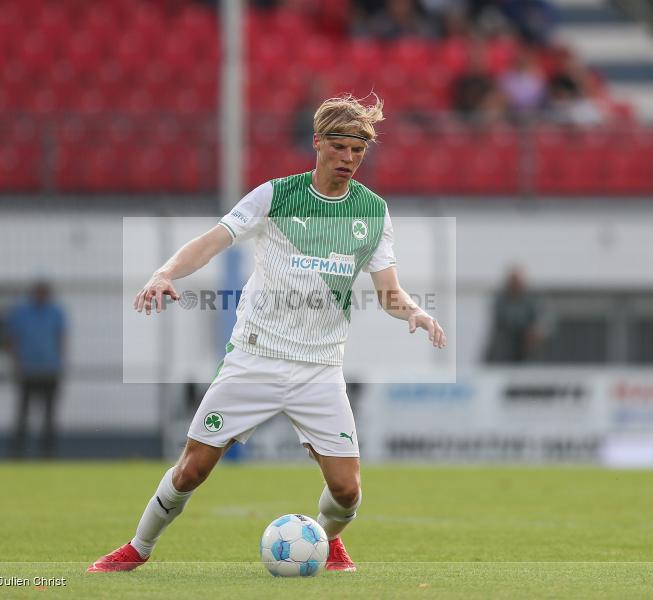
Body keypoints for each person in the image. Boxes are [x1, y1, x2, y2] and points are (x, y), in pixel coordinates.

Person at [88, 94, 447, 573]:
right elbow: (213, 240)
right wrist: (165, 272)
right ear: (317, 143)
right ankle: (137, 548)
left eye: (358, 151)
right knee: (193, 468)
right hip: (254, 359)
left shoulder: (373, 212)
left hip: (320, 368)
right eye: (339, 147)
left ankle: (329, 539)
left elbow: (387, 292)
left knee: (346, 490)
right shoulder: (275, 196)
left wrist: (414, 313)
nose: (348, 158)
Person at [6, 279, 66, 459]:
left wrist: (60, 362)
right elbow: (12, 338)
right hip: (27, 369)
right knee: (23, 413)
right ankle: (18, 452)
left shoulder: (55, 312)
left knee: (49, 415)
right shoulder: (21, 312)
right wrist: (15, 362)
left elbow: (61, 338)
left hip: (50, 369)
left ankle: (48, 453)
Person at [484, 266, 543, 363]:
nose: (515, 285)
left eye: (517, 282)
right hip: (504, 353)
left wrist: (535, 331)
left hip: (526, 352)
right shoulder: (500, 301)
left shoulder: (533, 300)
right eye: (513, 282)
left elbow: (543, 317)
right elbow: (505, 321)